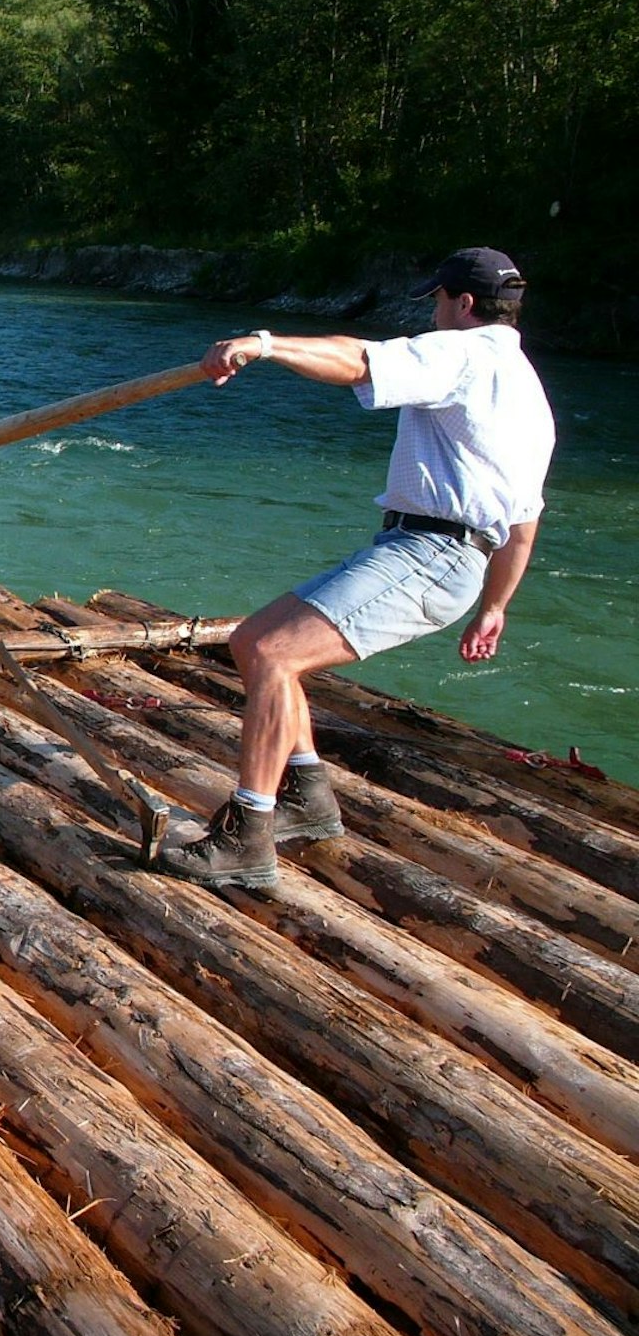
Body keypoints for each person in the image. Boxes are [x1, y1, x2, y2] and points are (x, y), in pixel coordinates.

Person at [157, 246, 555, 890]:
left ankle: (247, 837)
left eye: (437, 301)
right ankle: (307, 796)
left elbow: (359, 359)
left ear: (464, 303)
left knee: (279, 655)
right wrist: (495, 606)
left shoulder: (465, 353)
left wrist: (263, 344)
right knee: (252, 642)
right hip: (438, 553)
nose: (433, 312)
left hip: (432, 554)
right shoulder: (527, 390)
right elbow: (525, 521)